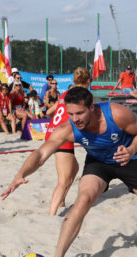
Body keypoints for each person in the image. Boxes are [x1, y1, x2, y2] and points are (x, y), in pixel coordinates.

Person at [2, 86, 137, 257]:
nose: (75, 119)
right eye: (71, 114)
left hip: (127, 160)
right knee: (83, 199)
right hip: (98, 163)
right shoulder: (68, 128)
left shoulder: (116, 114)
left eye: (79, 113)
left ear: (92, 107)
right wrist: (20, 174)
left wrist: (132, 149)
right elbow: (41, 154)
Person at [44, 67, 91, 215]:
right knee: (63, 180)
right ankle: (51, 214)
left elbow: (49, 112)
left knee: (74, 168)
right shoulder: (83, 96)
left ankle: (62, 201)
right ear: (88, 81)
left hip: (51, 133)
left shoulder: (66, 93)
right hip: (62, 137)